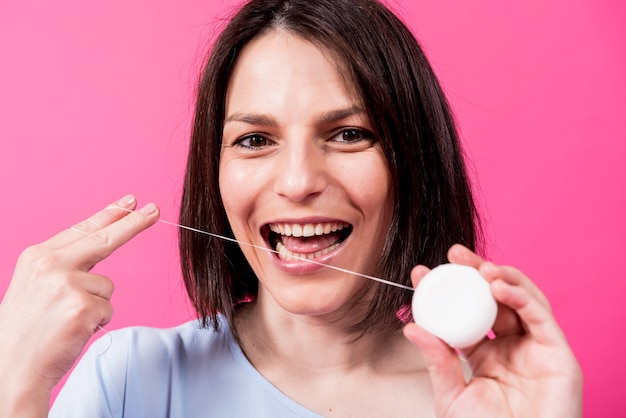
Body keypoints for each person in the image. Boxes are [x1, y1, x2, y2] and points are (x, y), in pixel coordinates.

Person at [0, 0, 582, 416]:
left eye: (349, 134)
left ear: (414, 164)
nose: (300, 181)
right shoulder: (129, 382)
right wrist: (13, 384)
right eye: (255, 140)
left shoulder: (492, 399)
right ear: (216, 173)